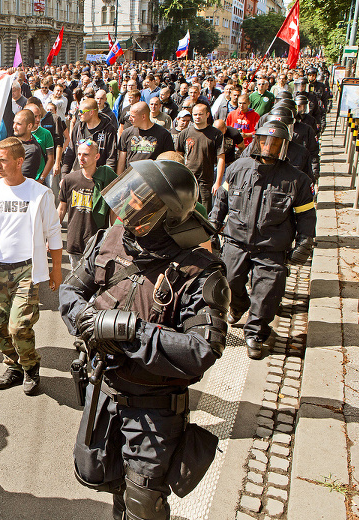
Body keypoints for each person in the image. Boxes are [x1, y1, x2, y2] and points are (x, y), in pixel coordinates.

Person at [59, 159, 229, 520]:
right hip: (101, 392)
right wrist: (89, 320)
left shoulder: (199, 271)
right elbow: (70, 291)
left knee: (144, 504)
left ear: (167, 215)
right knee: (101, 476)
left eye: (143, 202)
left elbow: (203, 349)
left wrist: (129, 331)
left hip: (153, 407)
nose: (130, 206)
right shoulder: (109, 238)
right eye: (131, 195)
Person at [0, 137, 63, 395]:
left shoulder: (40, 194)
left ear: (20, 161)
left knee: (19, 325)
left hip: (27, 270)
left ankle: (30, 368)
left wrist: (57, 268)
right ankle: (13, 366)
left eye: (3, 160)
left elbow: (54, 233)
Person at [210, 121, 316, 359]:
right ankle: (238, 306)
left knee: (267, 292)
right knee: (229, 280)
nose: (268, 147)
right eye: (265, 142)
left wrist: (305, 243)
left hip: (272, 246)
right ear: (256, 141)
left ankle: (255, 333)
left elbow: (307, 217)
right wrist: (213, 224)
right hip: (236, 240)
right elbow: (222, 201)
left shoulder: (297, 179)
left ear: (284, 147)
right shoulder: (237, 167)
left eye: (275, 143)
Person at [57, 139, 117, 266]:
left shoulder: (106, 179)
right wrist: (52, 235)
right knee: (76, 282)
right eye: (79, 154)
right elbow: (61, 209)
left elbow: (113, 211)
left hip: (97, 243)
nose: (81, 158)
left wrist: (114, 238)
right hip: (75, 242)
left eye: (86, 154)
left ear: (97, 156)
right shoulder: (69, 179)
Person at [174, 103, 224, 210]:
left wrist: (218, 182)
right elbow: (178, 156)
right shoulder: (184, 133)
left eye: (200, 114)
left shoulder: (216, 134)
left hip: (206, 180)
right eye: (195, 114)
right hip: (188, 178)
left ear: (207, 115)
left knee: (205, 210)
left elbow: (221, 158)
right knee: (186, 208)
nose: (197, 117)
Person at [116, 102, 175, 175]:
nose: (129, 119)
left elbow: (169, 160)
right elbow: (121, 161)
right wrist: (119, 180)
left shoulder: (164, 134)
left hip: (153, 179)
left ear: (143, 116)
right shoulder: (127, 133)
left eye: (133, 116)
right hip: (131, 179)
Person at [62, 97, 118, 173]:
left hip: (99, 176)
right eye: (78, 111)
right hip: (79, 174)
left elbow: (111, 158)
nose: (79, 114)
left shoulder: (108, 129)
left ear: (91, 112)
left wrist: (105, 177)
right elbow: (70, 152)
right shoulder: (78, 127)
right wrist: (64, 173)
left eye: (81, 111)